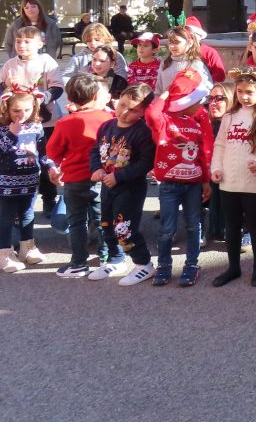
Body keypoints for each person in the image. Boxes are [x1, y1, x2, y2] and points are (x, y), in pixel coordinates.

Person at [210, 69, 256, 288]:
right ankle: (233, 267)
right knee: (231, 226)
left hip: (254, 181)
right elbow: (220, 144)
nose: (244, 96)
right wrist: (216, 167)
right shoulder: (229, 116)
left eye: (249, 92)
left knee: (255, 224)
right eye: (240, 92)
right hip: (229, 179)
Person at [147, 69, 214, 287]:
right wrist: (167, 93)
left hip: (193, 185)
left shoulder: (196, 124)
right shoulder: (165, 121)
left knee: (194, 226)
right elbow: (152, 114)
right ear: (186, 102)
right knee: (167, 229)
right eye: (197, 101)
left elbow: (201, 156)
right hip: (169, 185)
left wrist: (205, 181)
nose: (201, 105)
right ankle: (164, 266)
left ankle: (191, 265)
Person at [87, 83, 157, 286]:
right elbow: (95, 150)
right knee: (106, 225)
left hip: (129, 189)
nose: (125, 112)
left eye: (133, 110)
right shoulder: (106, 126)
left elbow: (145, 162)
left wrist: (120, 176)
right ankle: (116, 260)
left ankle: (143, 264)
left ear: (143, 112)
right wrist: (96, 169)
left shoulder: (142, 132)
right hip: (107, 186)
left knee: (124, 228)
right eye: (123, 105)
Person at [45, 74, 113, 277]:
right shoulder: (108, 119)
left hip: (74, 179)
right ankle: (107, 257)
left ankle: (79, 263)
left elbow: (53, 152)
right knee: (103, 220)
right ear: (96, 95)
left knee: (76, 222)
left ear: (70, 98)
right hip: (102, 177)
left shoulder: (65, 123)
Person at [0, 91, 52, 272]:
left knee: (28, 215)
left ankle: (27, 248)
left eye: (27, 110)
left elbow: (43, 153)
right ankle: (4, 254)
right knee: (5, 218)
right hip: (6, 184)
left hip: (30, 181)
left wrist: (51, 167)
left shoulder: (36, 127)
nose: (21, 115)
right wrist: (11, 134)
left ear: (34, 108)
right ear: (7, 109)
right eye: (16, 110)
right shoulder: (2, 128)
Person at [204, 81, 233, 244]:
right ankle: (208, 229)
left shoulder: (238, 124)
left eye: (219, 98)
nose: (213, 103)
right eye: (211, 98)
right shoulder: (205, 124)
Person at [62, 23, 128, 84]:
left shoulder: (115, 56)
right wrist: (74, 88)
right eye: (89, 40)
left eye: (97, 40)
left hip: (109, 89)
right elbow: (66, 76)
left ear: (105, 39)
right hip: (85, 90)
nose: (93, 43)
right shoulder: (79, 58)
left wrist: (110, 87)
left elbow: (122, 75)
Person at [154, 27, 212, 96]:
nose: (172, 46)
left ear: (190, 43)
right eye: (170, 43)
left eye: (176, 42)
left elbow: (207, 89)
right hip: (166, 102)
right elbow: (158, 91)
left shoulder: (195, 64)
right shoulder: (165, 63)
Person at [184, 16, 226, 84]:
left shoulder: (209, 52)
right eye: (185, 35)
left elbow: (220, 75)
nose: (189, 38)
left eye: (191, 35)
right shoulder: (179, 51)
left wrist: (203, 80)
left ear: (200, 36)